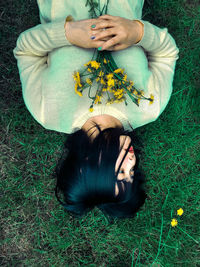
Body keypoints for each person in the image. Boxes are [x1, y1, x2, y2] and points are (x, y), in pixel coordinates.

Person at [13, 0, 179, 220]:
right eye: (132, 173)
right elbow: (167, 53)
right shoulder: (150, 107)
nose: (132, 163)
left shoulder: (47, 112)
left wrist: (68, 33)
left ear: (88, 166)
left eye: (121, 172)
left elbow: (25, 50)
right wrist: (137, 33)